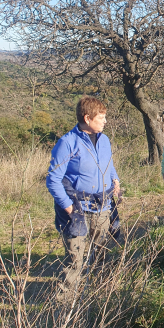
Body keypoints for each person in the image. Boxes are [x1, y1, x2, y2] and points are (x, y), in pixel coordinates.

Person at [46, 96, 120, 299]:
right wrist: (68, 206)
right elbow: (53, 179)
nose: (105, 121)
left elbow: (109, 164)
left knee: (102, 253)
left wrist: (115, 180)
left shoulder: (104, 139)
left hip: (102, 206)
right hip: (77, 208)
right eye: (101, 117)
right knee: (75, 260)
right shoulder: (67, 143)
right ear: (87, 118)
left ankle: (100, 299)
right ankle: (64, 306)